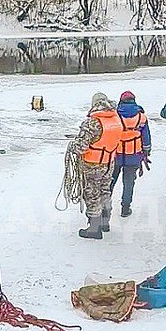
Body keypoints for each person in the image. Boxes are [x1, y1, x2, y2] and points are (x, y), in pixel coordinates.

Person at [70, 93, 121, 240]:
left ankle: (94, 229)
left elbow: (80, 147)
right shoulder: (116, 119)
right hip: (108, 163)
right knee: (105, 191)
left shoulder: (92, 123)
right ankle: (105, 222)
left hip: (92, 165)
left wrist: (73, 145)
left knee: (92, 194)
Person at [109, 91, 152, 217]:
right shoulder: (141, 117)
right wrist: (146, 151)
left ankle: (105, 206)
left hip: (116, 154)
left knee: (110, 182)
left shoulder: (115, 116)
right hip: (133, 155)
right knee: (129, 184)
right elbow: (146, 137)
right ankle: (125, 208)